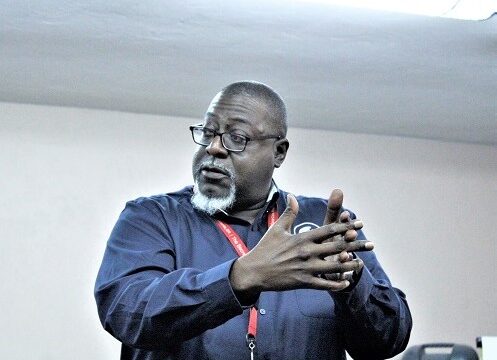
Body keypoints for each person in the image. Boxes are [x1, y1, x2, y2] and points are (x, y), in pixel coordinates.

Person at [94, 81, 412, 360]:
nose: (214, 148)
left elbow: (387, 342)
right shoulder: (152, 217)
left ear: (279, 152)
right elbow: (127, 313)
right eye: (208, 133)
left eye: (237, 137)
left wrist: (351, 283)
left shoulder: (320, 225)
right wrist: (239, 278)